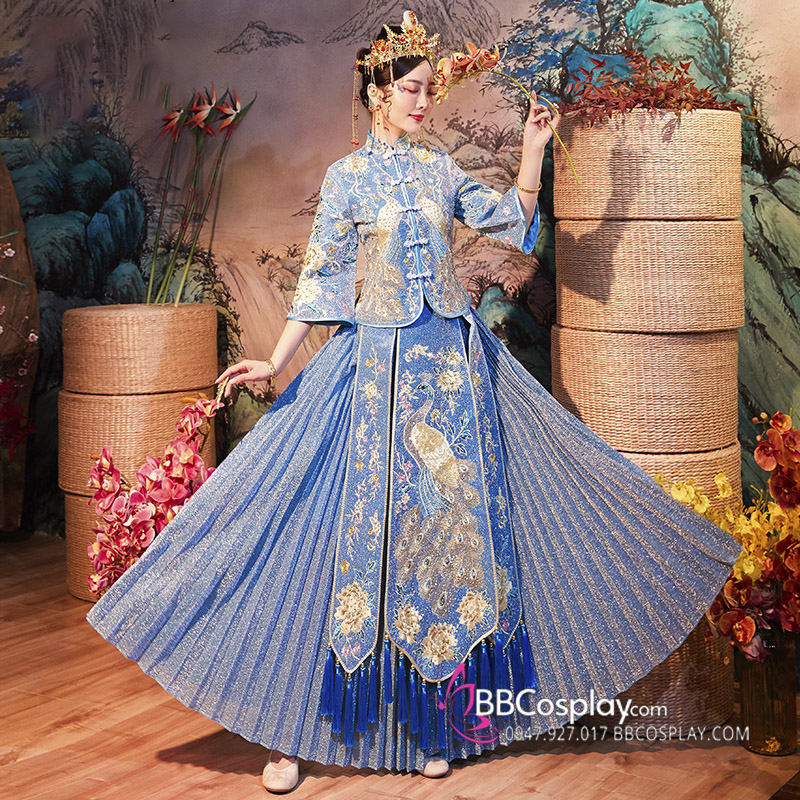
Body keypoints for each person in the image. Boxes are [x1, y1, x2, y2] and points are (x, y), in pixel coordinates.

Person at [86, 10, 742, 796]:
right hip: (375, 378)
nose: (425, 102)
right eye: (412, 90)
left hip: (456, 379)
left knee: (445, 549)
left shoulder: (439, 170)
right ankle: (294, 726)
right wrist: (278, 360)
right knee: (337, 539)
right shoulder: (348, 179)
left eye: (430, 89)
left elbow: (511, 221)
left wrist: (534, 152)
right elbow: (323, 282)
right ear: (376, 94)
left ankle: (439, 722)